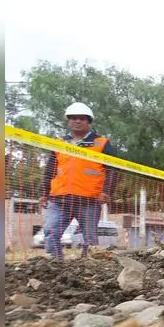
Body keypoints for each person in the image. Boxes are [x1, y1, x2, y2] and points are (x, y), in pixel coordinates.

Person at [38, 102, 118, 260]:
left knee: (90, 240)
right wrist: (44, 194)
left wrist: (106, 192)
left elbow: (113, 170)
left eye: (82, 118)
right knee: (50, 232)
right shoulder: (59, 143)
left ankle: (88, 267)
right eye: (73, 118)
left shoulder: (102, 143)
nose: (77, 121)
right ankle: (55, 265)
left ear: (89, 122)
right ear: (68, 121)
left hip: (88, 201)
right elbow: (49, 171)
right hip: (58, 199)